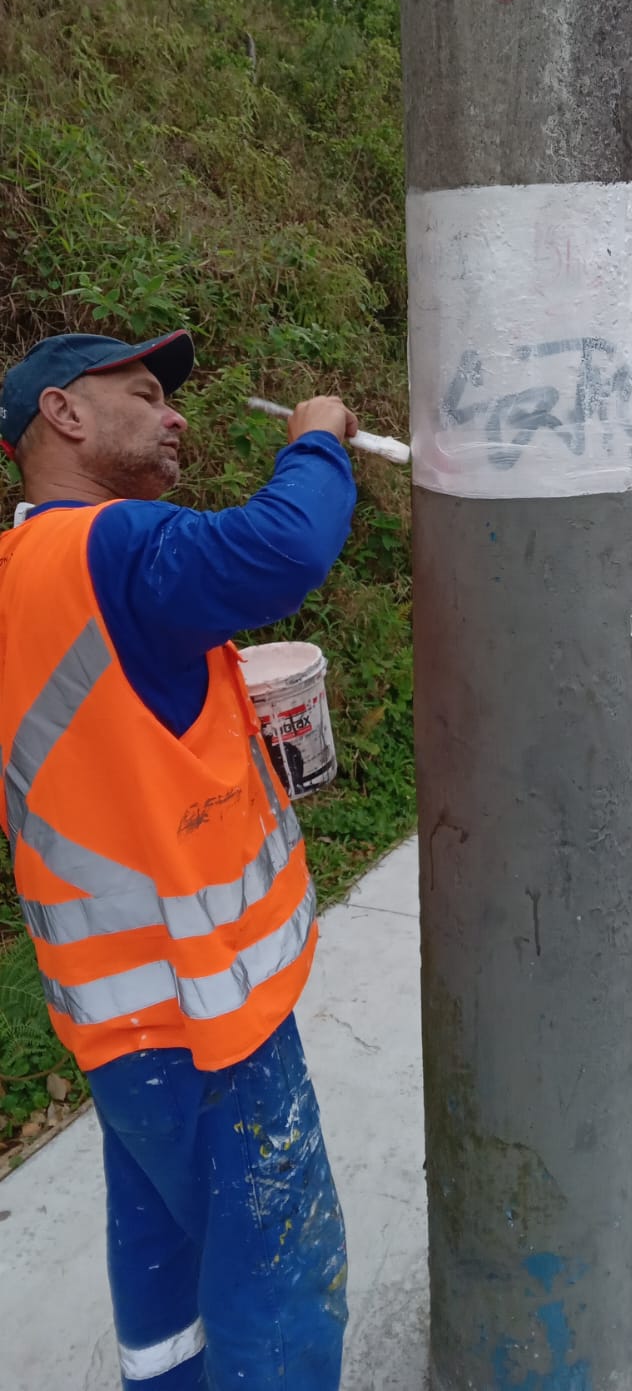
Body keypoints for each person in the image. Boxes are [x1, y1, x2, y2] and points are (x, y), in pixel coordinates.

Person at [0, 329, 359, 1391]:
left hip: (112, 1022)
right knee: (283, 1275)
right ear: (62, 415)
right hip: (206, 1019)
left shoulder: (24, 573)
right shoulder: (112, 548)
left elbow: (111, 741)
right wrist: (316, 441)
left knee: (163, 1256)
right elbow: (284, 548)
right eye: (146, 394)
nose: (177, 416)